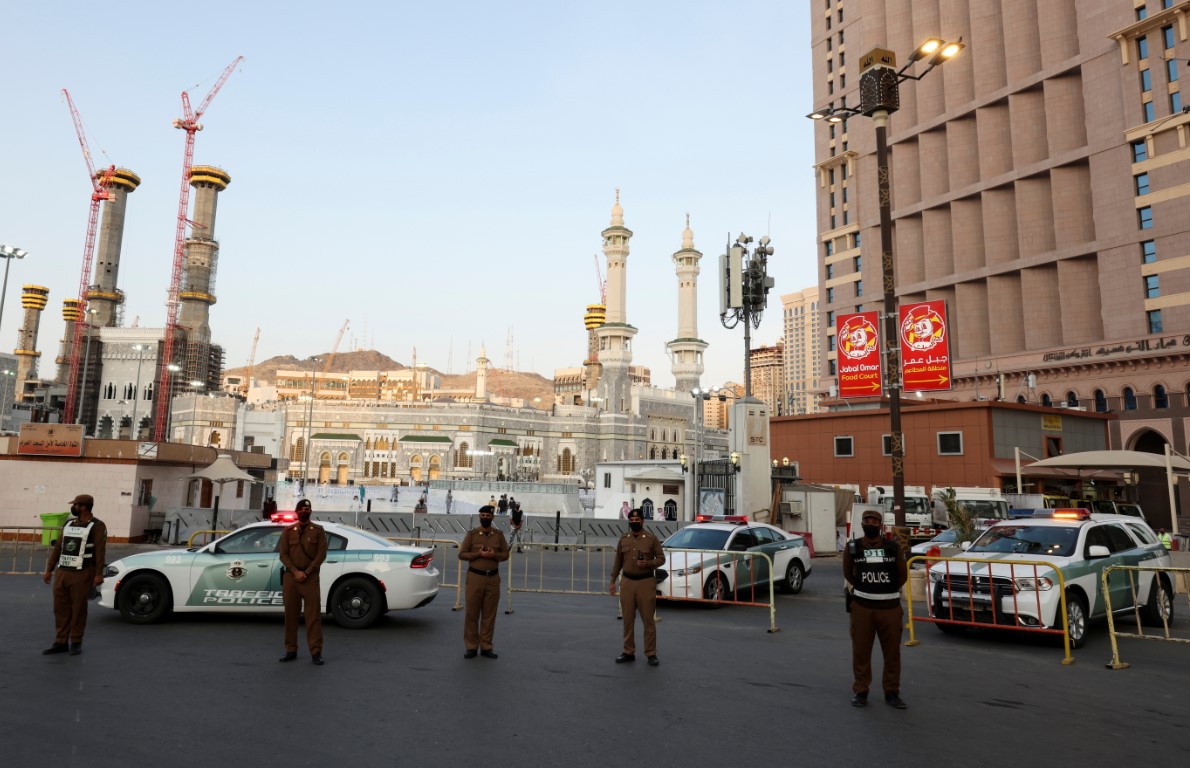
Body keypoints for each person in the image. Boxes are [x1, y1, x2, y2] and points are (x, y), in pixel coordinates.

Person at [843, 509, 908, 709]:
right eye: (866, 521)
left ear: (880, 525)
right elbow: (849, 574)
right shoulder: (853, 547)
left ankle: (892, 692)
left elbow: (902, 575)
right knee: (861, 652)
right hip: (862, 608)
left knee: (892, 654)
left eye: (874, 521)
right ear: (862, 524)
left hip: (889, 608)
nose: (870, 523)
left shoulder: (892, 547)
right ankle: (861, 691)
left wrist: (886, 590)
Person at [42, 494, 107, 656]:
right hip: (63, 571)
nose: (73, 508)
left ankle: (76, 641)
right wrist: (49, 569)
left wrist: (98, 574)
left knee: (78, 608)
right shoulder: (69, 523)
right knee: (60, 608)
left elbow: (100, 551)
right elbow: (58, 547)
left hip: (82, 572)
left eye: (76, 505)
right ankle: (61, 641)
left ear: (84, 507)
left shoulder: (97, 526)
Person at [609, 508, 665, 667]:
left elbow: (661, 559)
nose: (634, 523)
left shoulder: (651, 539)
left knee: (648, 620)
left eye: (637, 520)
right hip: (627, 583)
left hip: (645, 583)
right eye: (631, 521)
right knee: (627, 619)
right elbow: (618, 562)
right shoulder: (624, 539)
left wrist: (648, 563)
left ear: (642, 521)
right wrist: (613, 580)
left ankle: (651, 653)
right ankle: (628, 651)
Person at [279, 499, 328, 665]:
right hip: (291, 577)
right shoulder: (288, 531)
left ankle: (316, 652)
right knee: (290, 615)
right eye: (302, 509)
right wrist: (295, 572)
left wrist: (306, 572)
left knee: (312, 616)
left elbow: (321, 555)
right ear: (297, 512)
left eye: (307, 509)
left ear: (311, 512)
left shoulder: (318, 531)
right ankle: (290, 649)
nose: (305, 511)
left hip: (310, 577)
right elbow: (283, 555)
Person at [459, 505, 509, 659]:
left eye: (488, 516)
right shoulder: (472, 535)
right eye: (483, 515)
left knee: (489, 614)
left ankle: (486, 646)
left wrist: (494, 555)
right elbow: (462, 554)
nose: (485, 518)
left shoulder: (498, 535)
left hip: (492, 579)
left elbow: (505, 554)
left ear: (493, 517)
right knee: (472, 614)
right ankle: (472, 646)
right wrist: (477, 554)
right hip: (475, 578)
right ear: (479, 517)